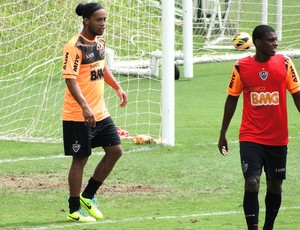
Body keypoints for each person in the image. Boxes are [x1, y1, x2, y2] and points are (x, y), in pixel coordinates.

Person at [218, 24, 300, 230]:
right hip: (250, 135)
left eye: (276, 39)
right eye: (271, 39)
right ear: (257, 43)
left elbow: (297, 95)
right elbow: (232, 99)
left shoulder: (286, 63)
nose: (276, 43)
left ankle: (268, 227)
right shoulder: (240, 67)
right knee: (252, 182)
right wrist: (223, 133)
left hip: (278, 137)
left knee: (275, 185)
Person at [62, 2, 127, 222]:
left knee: (115, 151)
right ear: (86, 20)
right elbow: (70, 79)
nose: (103, 24)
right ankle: (73, 210)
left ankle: (88, 196)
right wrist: (84, 105)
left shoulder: (99, 42)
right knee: (81, 159)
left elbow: (101, 67)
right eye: (99, 20)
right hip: (78, 114)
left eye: (104, 19)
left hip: (99, 111)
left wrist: (117, 86)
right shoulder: (74, 46)